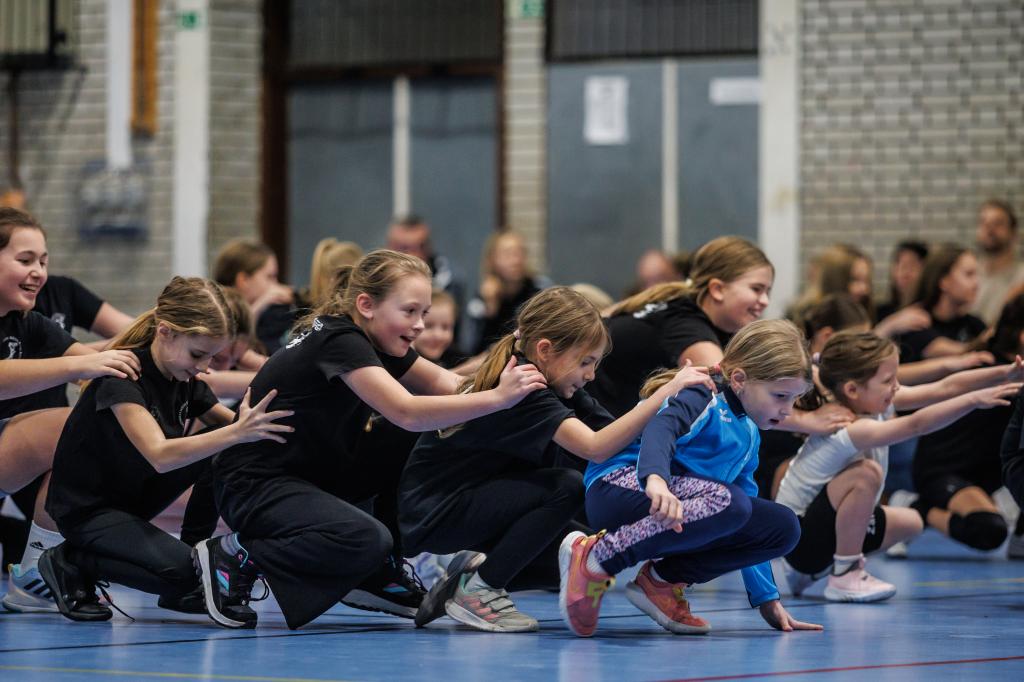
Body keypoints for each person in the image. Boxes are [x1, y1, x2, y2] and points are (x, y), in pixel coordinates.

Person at [196, 249, 546, 630]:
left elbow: (450, 385)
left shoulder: (377, 339)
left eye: (424, 313)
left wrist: (511, 363)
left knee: (411, 442)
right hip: (254, 484)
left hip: (307, 473)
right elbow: (407, 411)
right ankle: (237, 554)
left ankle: (376, 571)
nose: (419, 326)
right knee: (365, 537)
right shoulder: (339, 340)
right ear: (366, 305)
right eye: (409, 311)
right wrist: (498, 398)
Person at [400, 287, 713, 633]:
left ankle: (468, 580)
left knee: (584, 557)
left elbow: (619, 438)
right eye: (585, 362)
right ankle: (481, 590)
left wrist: (679, 459)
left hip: (475, 504)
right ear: (545, 350)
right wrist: (664, 394)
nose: (591, 374)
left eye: (595, 363)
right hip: (435, 513)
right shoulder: (526, 386)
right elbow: (595, 446)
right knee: (567, 486)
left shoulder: (562, 386)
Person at [34, 277, 292, 622]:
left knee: (227, 446)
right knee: (184, 576)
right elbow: (159, 455)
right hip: (87, 510)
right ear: (165, 332)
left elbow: (230, 425)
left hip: (132, 499)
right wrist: (236, 432)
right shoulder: (124, 376)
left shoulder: (182, 377)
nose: (204, 367)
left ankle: (197, 549)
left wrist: (272, 435)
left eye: (212, 357)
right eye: (198, 354)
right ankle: (70, 560)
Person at [560, 319, 821, 637]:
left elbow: (746, 511)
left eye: (794, 398)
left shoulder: (749, 433)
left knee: (781, 527)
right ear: (739, 379)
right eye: (780, 396)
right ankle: (597, 557)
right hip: (619, 487)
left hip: (676, 502)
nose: (788, 410)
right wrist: (655, 479)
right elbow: (661, 429)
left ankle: (661, 582)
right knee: (730, 501)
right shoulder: (702, 394)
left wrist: (767, 598)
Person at [776, 330, 1021, 602]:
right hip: (796, 539)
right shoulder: (852, 426)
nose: (896, 386)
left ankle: (810, 572)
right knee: (865, 474)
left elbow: (945, 388)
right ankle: (845, 573)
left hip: (815, 533)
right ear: (852, 390)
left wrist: (1006, 373)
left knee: (912, 522)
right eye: (888, 380)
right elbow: (917, 424)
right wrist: (975, 400)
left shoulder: (872, 403)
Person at [0, 208, 143, 613]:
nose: (38, 273)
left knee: (81, 433)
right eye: (25, 260)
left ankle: (37, 568)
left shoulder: (29, 323)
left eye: (43, 262)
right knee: (68, 424)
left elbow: (96, 363)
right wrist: (82, 364)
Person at [590, 236, 853, 434]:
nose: (764, 301)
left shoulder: (692, 310)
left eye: (768, 291)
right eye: (756, 289)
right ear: (717, 289)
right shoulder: (687, 325)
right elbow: (737, 393)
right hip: (596, 424)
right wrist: (809, 421)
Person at [906, 292, 1024, 557]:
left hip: (986, 475)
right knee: (988, 529)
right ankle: (917, 509)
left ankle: (1020, 533)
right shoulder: (994, 368)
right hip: (942, 472)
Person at [463, 231, 549, 355]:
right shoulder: (481, 298)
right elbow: (470, 349)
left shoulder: (540, 290)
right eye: (508, 254)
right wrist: (490, 310)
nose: (516, 260)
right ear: (492, 260)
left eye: (520, 253)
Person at [896, 244, 986, 363]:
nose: (976, 283)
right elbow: (941, 349)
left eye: (976, 275)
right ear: (944, 281)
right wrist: (987, 340)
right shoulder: (915, 320)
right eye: (969, 274)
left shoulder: (974, 324)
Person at [212, 239, 295, 354]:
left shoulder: (271, 314)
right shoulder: (214, 310)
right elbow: (231, 346)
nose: (275, 284)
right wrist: (261, 303)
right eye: (270, 277)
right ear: (244, 280)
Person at [973, 199, 1024, 326]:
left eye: (998, 223)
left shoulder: (1021, 277)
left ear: (1013, 233)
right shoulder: (967, 275)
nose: (990, 229)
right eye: (984, 223)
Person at [876, 241, 928, 323]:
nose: (903, 272)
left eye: (911, 265)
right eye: (899, 264)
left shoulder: (929, 315)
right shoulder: (879, 313)